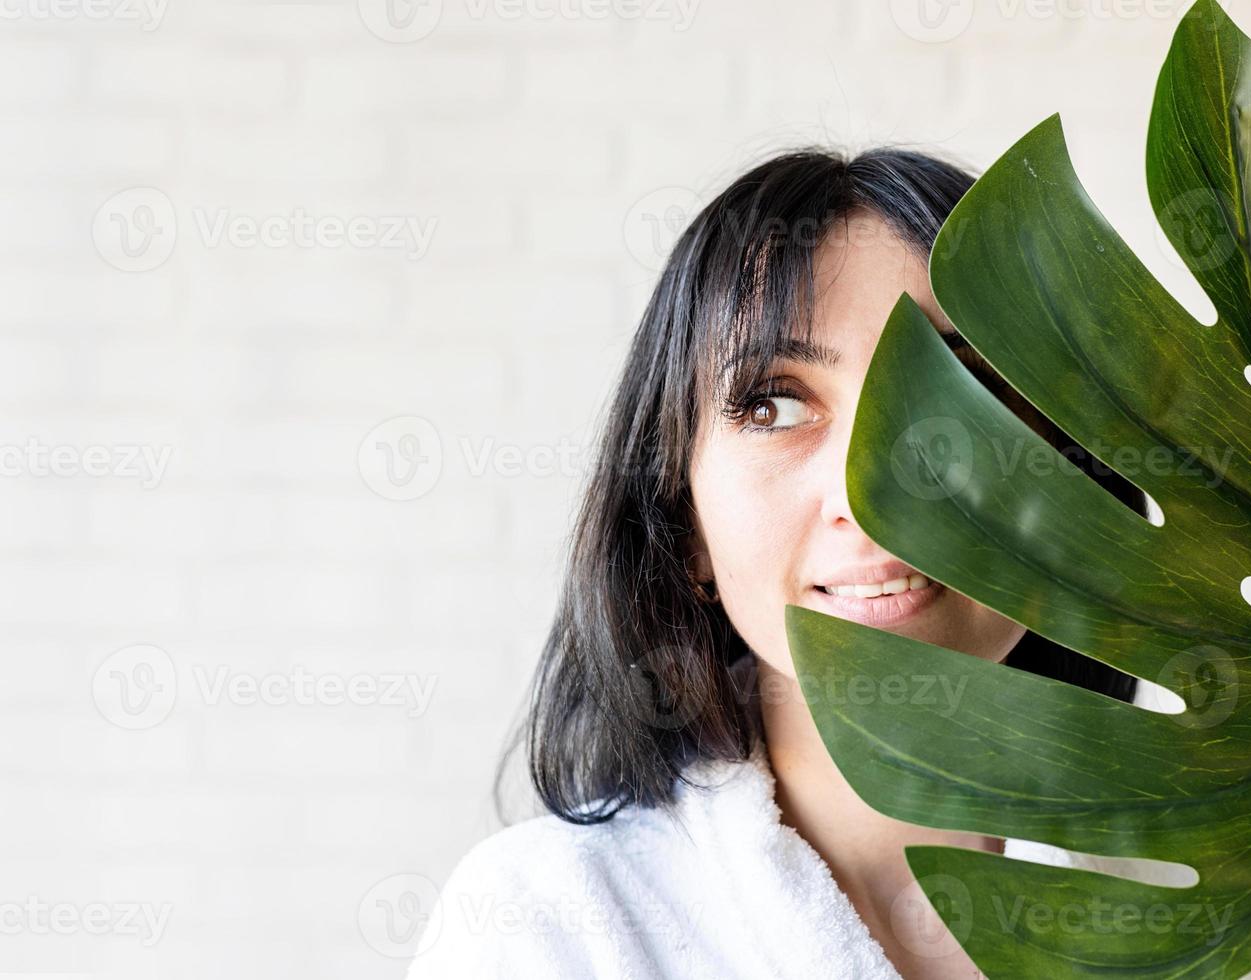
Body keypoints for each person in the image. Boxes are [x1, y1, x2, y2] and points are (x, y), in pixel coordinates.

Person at [405, 147, 1158, 979]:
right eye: (773, 404)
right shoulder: (547, 925)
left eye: (964, 387)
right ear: (683, 524)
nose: (873, 493)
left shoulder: (1206, 891)